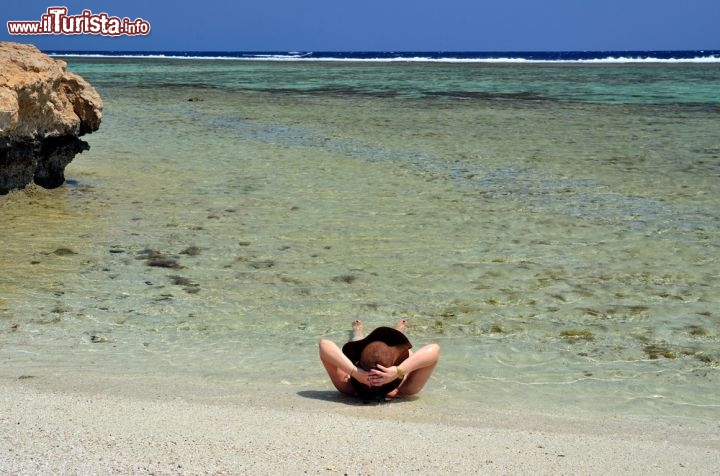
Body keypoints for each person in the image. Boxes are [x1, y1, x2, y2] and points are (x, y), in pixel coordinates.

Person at [318, 319, 440, 399]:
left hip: (364, 361)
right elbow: (434, 349)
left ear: (357, 364)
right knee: (404, 349)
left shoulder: (348, 386)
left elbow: (324, 344)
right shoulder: (404, 389)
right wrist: (399, 370)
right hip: (389, 361)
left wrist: (355, 372)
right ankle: (399, 332)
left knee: (357, 341)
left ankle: (358, 332)